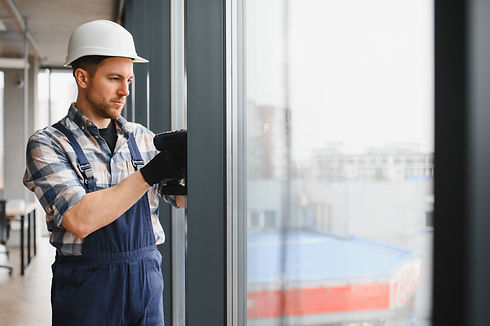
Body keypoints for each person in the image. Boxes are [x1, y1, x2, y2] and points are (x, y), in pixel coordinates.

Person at [23, 20, 185, 326]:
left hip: (145, 282)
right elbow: (80, 220)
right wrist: (150, 173)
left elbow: (178, 199)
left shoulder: (142, 138)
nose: (125, 91)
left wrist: (197, 163)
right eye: (114, 79)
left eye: (129, 80)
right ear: (82, 77)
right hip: (88, 288)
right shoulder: (48, 144)